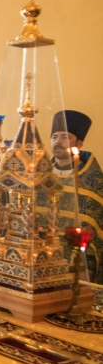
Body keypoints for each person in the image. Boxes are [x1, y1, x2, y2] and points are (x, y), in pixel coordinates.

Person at [50, 110, 103, 284]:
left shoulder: (92, 181)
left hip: (78, 269)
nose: (58, 141)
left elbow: (93, 230)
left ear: (79, 144)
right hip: (42, 261)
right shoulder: (41, 176)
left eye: (65, 137)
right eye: (54, 137)